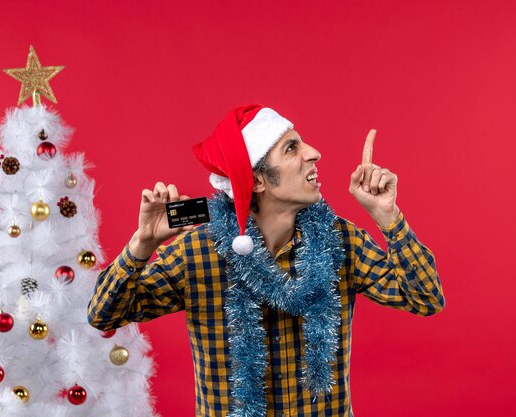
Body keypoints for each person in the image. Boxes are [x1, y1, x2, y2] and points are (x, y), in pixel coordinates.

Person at [87, 104, 445, 417]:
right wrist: (141, 245)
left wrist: (388, 217)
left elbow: (425, 299)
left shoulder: (340, 239)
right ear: (256, 180)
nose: (314, 153)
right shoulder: (198, 251)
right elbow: (105, 314)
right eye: (292, 148)